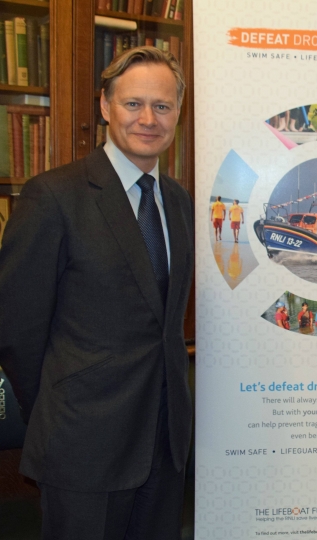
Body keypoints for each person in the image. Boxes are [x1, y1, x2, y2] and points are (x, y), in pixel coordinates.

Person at [0, 46, 194, 540]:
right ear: (105, 107)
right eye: (133, 104)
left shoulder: (177, 201)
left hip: (165, 444)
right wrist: (59, 412)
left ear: (177, 114)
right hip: (83, 445)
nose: (148, 119)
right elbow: (17, 329)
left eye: (163, 106)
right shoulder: (54, 196)